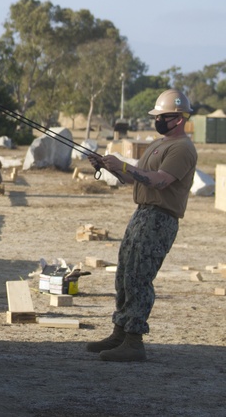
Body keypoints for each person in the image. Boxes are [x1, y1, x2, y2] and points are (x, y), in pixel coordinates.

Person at [86, 89, 197, 362]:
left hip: (160, 219)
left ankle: (134, 341)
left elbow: (160, 181)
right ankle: (120, 332)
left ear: (179, 118)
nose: (157, 120)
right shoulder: (159, 144)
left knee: (139, 276)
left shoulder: (182, 148)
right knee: (125, 272)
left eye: (162, 116)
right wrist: (110, 167)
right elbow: (138, 178)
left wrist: (123, 167)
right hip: (143, 214)